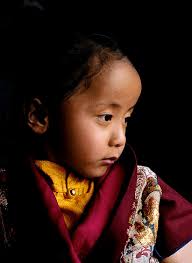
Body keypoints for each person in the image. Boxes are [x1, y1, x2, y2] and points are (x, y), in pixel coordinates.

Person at [0, 28, 192, 263]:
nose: (120, 138)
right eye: (106, 117)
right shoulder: (6, 193)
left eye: (126, 120)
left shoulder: (147, 191)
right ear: (40, 116)